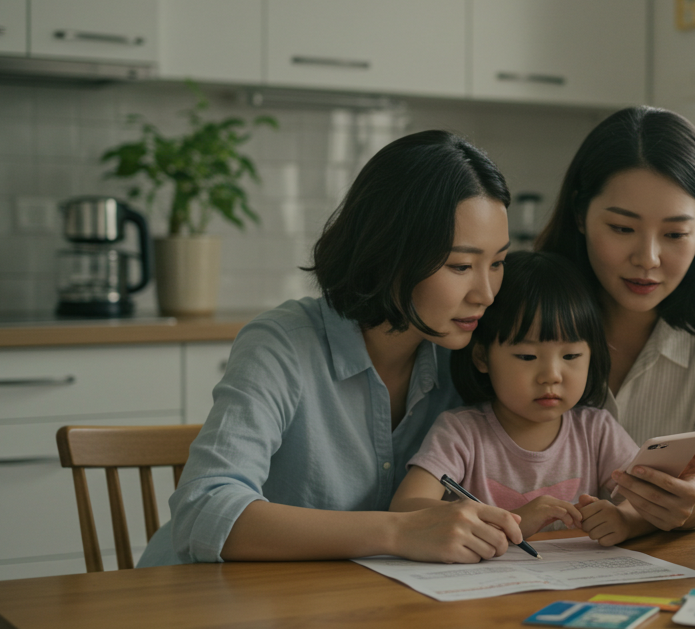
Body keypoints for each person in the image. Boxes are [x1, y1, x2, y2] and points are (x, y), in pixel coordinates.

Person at [139, 130, 525, 567]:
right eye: (461, 266)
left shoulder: (469, 354)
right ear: (389, 252)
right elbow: (203, 511)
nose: (487, 293)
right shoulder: (283, 343)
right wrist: (399, 530)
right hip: (203, 607)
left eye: (497, 263)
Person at [535, 106, 695, 531]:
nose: (648, 259)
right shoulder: (524, 311)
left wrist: (691, 509)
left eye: (675, 234)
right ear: (581, 215)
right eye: (623, 228)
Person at [392, 250, 663, 547]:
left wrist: (623, 519)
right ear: (482, 357)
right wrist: (515, 517)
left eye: (571, 355)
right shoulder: (461, 431)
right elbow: (406, 507)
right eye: (527, 356)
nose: (551, 375)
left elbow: (647, 500)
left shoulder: (597, 430)